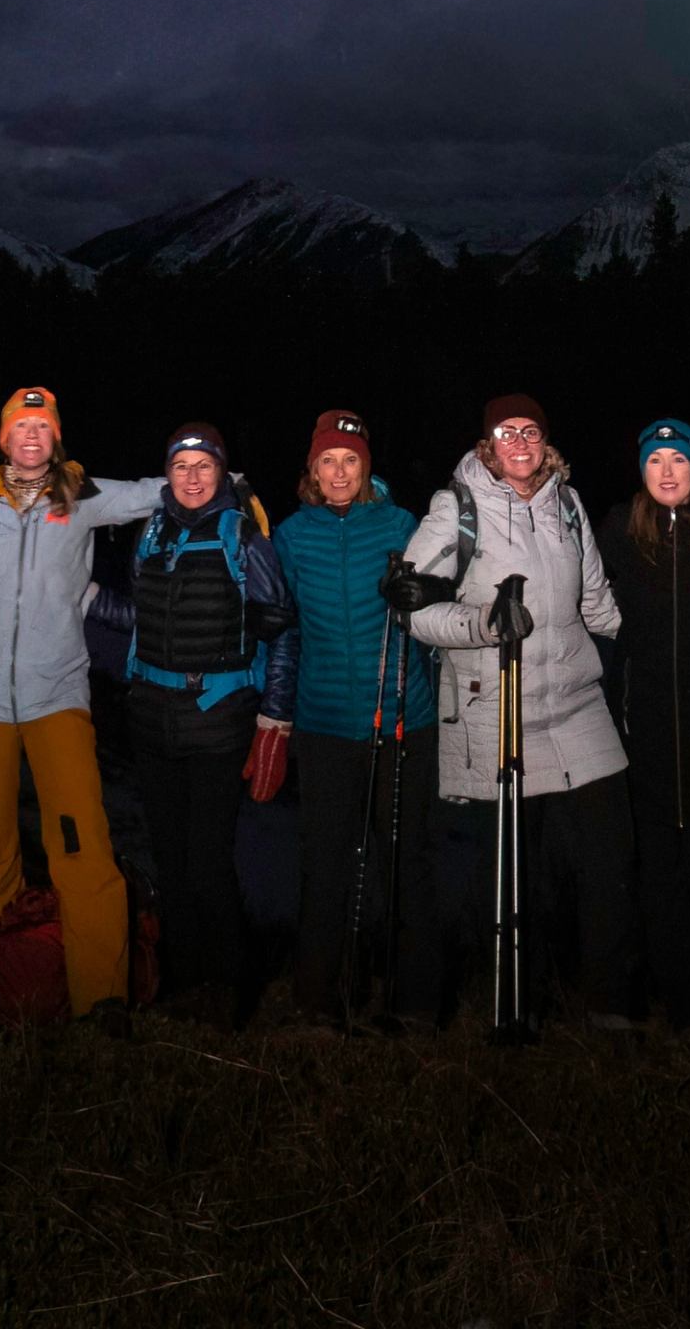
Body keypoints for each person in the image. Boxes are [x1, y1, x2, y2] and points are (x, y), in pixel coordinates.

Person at [391, 392, 639, 1028]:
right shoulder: (457, 507)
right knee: (513, 870)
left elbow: (596, 602)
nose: (521, 443)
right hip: (499, 704)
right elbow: (412, 611)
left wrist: (656, 633)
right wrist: (483, 622)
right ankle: (516, 1004)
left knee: (610, 853)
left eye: (531, 431)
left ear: (546, 441)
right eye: (507, 432)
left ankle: (610, 1003)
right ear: (488, 444)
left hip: (577, 700)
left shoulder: (567, 503)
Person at [0, 384, 164, 1029]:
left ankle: (102, 994)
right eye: (21, 425)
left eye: (43, 427)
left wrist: (228, 482)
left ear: (56, 438)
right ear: (4, 437)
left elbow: (159, 490)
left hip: (57, 697)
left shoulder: (81, 496)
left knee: (81, 839)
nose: (32, 436)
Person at [272, 410, 440, 1028]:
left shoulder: (399, 525)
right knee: (325, 863)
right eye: (328, 461)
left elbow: (436, 599)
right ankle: (320, 997)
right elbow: (282, 620)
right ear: (313, 470)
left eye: (351, 460)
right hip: (324, 724)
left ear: (365, 467)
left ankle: (415, 999)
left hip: (401, 718)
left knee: (406, 861)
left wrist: (426, 593)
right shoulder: (293, 535)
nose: (339, 472)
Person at [124, 421, 297, 1022]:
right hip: (152, 718)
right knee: (169, 858)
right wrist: (89, 603)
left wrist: (275, 714)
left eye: (204, 466)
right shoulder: (151, 532)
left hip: (218, 718)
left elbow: (280, 625)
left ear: (222, 472)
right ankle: (181, 977)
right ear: (167, 474)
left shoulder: (243, 536)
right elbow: (143, 614)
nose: (192, 477)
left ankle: (232, 985)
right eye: (181, 466)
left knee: (207, 860)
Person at [597, 419, 690, 1028]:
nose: (667, 471)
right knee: (657, 873)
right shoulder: (618, 532)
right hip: (644, 732)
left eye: (678, 459)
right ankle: (675, 1001)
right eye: (655, 460)